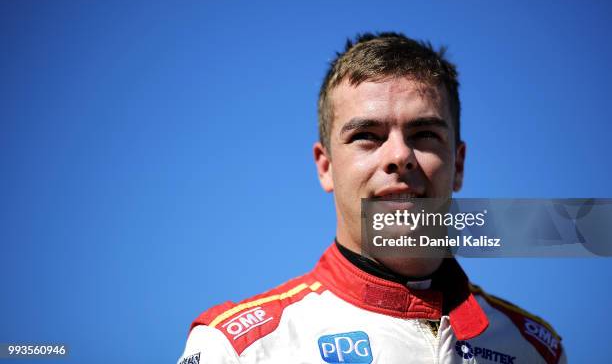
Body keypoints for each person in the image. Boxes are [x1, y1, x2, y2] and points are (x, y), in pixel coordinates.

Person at [176, 32, 566, 363]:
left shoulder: (535, 350)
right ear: (325, 166)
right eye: (367, 136)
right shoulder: (237, 349)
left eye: (424, 135)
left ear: (458, 164)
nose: (399, 156)